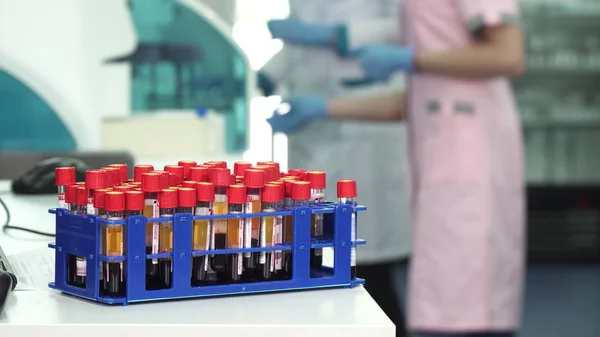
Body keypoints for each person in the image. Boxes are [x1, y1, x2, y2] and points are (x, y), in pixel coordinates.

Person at [266, 1, 526, 337]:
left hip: (470, 156)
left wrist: (410, 58)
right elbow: (417, 98)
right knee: (446, 298)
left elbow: (508, 54)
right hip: (441, 148)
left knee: (470, 303)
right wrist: (323, 108)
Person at [259, 1, 411, 336]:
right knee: (315, 265)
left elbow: (403, 27)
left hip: (366, 133)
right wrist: (266, 76)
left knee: (369, 276)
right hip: (312, 132)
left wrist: (335, 36)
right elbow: (297, 50)